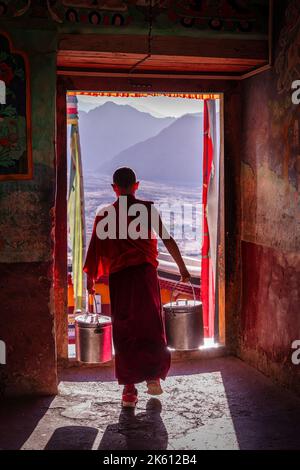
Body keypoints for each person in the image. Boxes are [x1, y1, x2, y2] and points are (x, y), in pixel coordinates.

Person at [83, 167, 191, 407]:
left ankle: (129, 391)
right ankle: (153, 378)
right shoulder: (146, 210)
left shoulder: (105, 216)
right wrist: (182, 268)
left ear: (114, 188)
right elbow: (167, 239)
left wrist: (90, 281)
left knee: (125, 330)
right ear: (136, 185)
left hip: (120, 279)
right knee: (151, 325)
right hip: (144, 276)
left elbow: (94, 251)